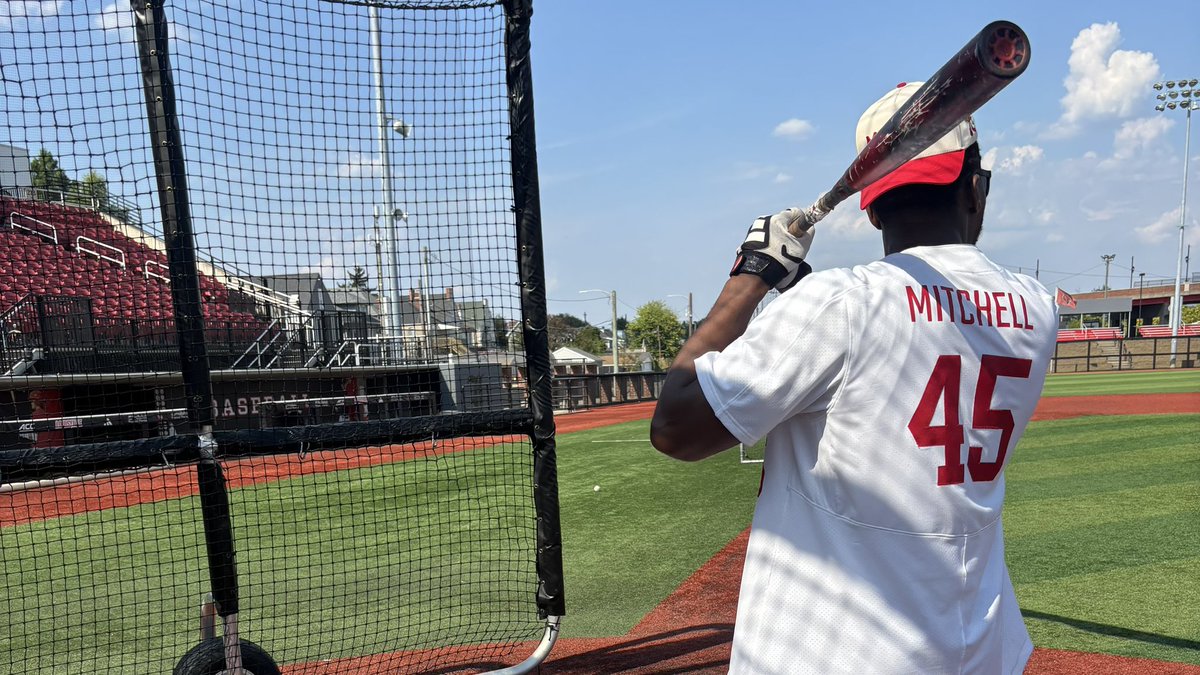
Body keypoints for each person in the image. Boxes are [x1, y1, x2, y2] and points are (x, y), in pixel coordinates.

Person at [651, 81, 1058, 674]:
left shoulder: (840, 302)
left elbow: (675, 427)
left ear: (870, 206)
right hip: (981, 644)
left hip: (838, 653)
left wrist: (753, 274)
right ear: (977, 189)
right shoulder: (1036, 306)